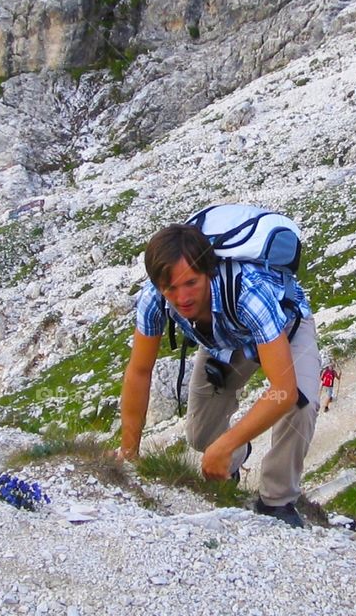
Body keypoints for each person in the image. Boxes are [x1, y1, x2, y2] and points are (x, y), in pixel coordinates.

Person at [118, 223, 320, 529]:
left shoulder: (249, 292)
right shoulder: (153, 298)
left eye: (191, 283)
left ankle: (276, 501)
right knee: (200, 435)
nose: (182, 297)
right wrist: (129, 452)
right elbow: (139, 371)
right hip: (222, 339)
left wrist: (225, 444)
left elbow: (284, 390)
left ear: (209, 273)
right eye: (170, 288)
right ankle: (233, 459)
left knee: (301, 403)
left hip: (284, 328)